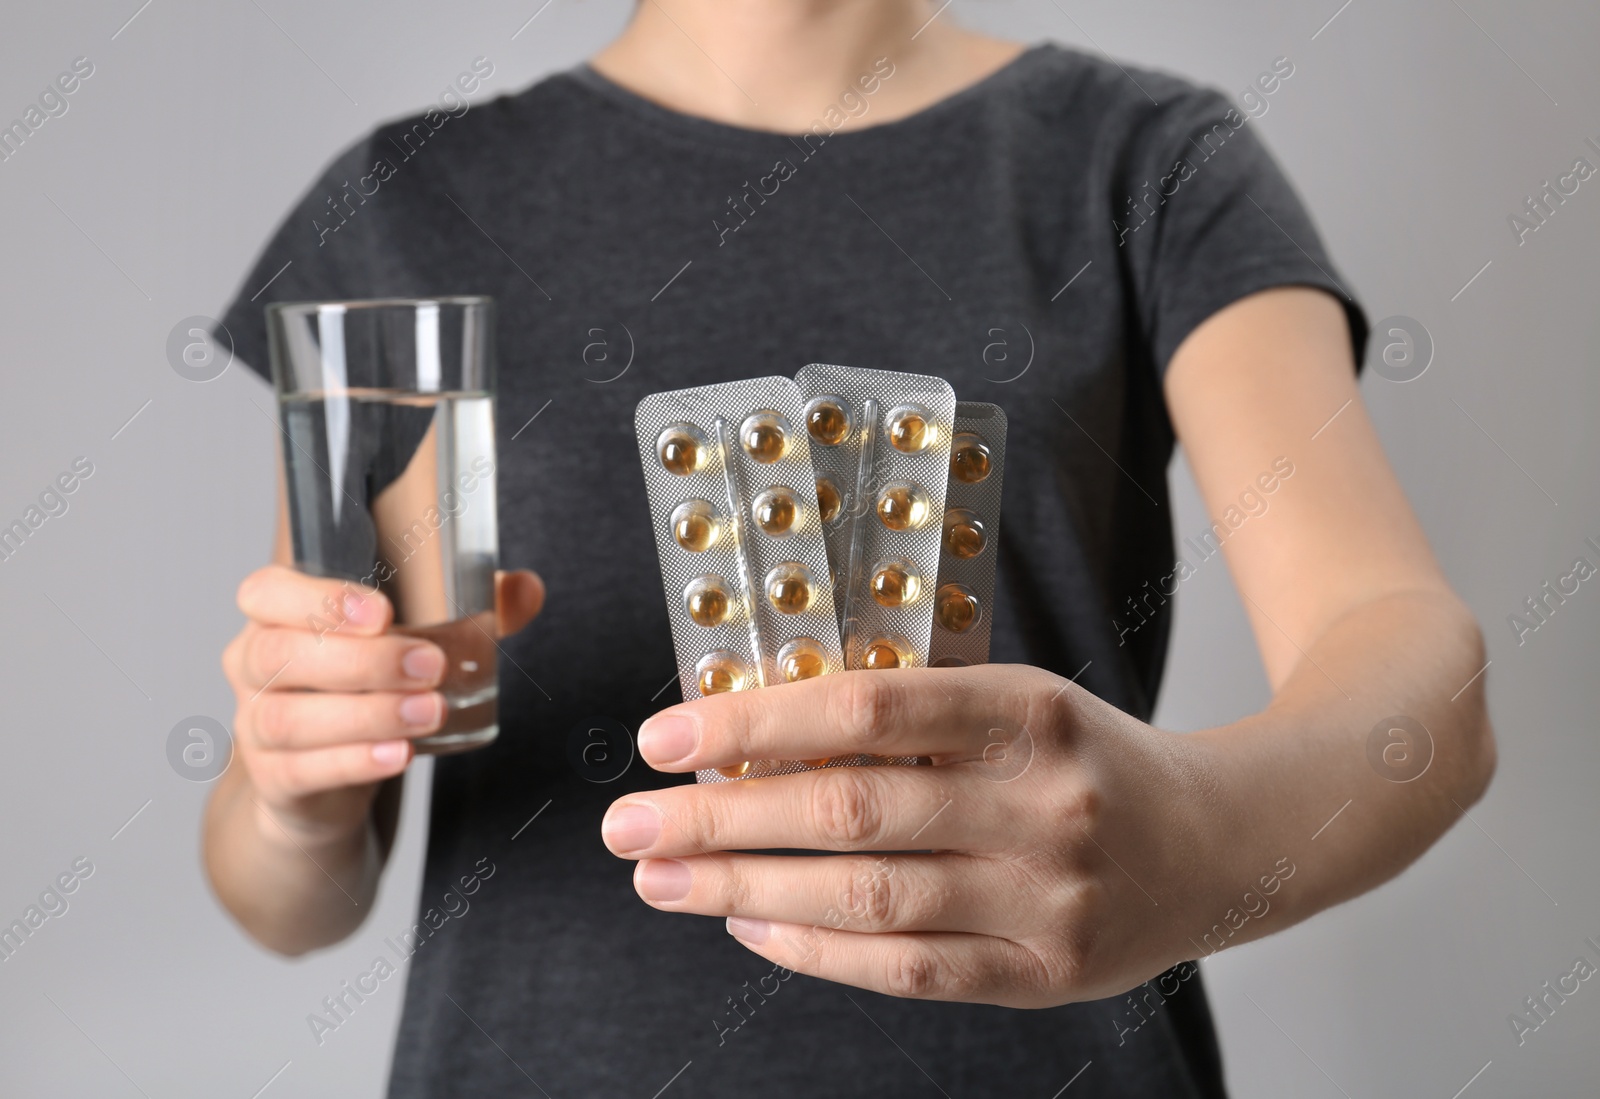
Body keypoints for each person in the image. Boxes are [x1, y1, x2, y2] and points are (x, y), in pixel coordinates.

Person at [204, 2, 1495, 1095]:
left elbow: (1400, 651)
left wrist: (1207, 838)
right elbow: (286, 895)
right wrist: (297, 797)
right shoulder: (405, 206)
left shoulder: (1143, 161)